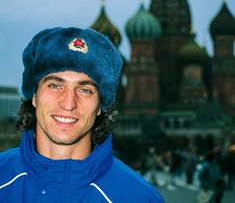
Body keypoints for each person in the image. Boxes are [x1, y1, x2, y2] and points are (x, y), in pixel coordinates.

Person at [0, 27, 165, 202]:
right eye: (55, 86)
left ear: (100, 106)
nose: (69, 103)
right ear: (34, 95)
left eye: (85, 90)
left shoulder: (138, 197)